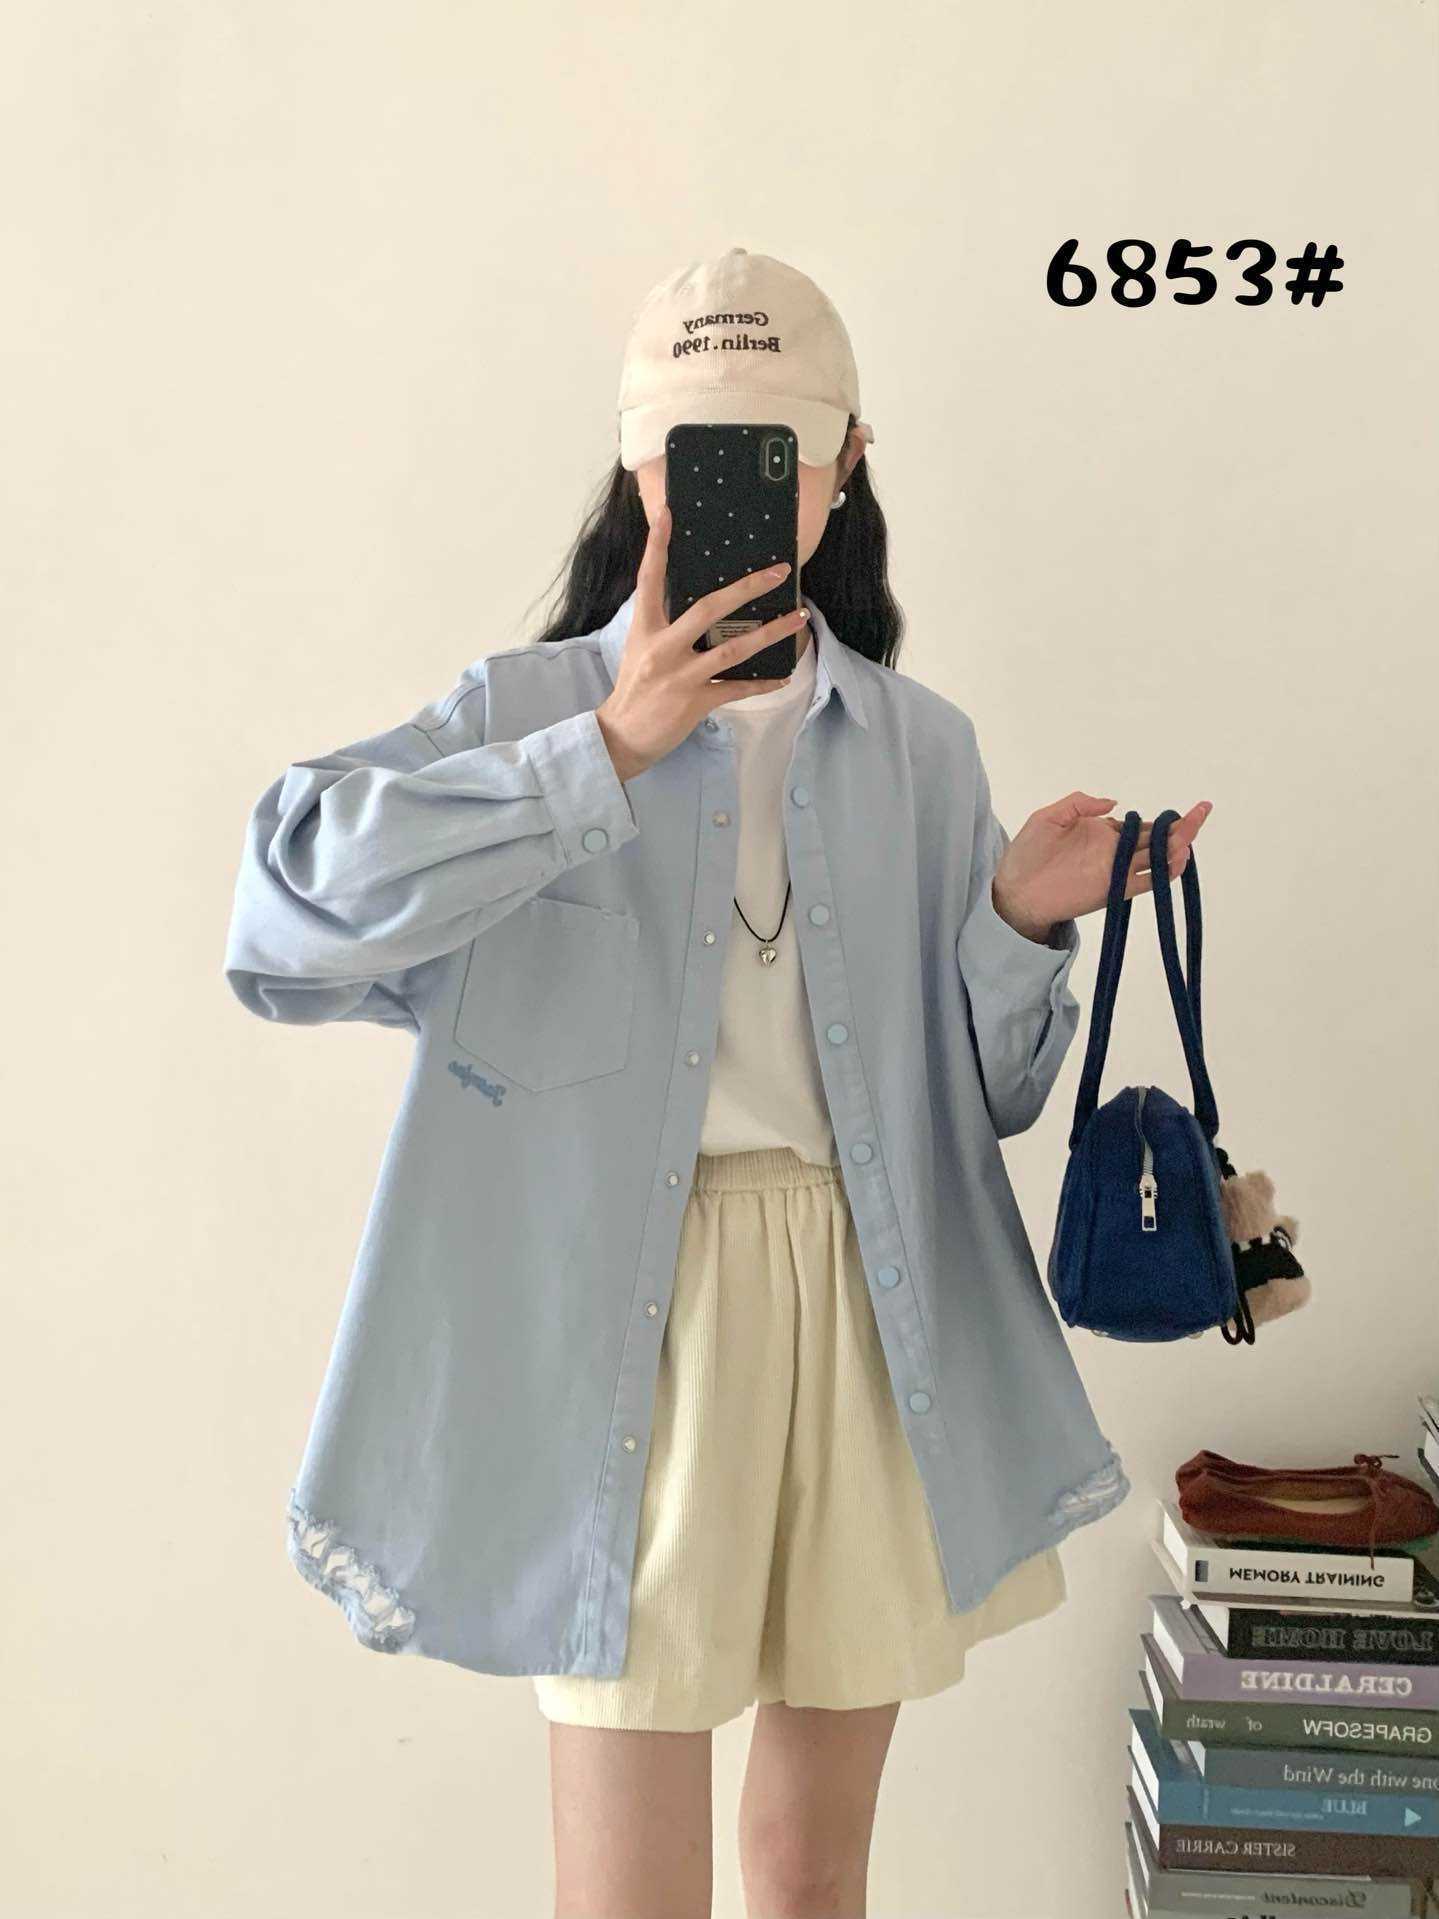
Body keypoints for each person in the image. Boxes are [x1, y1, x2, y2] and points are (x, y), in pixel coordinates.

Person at [224, 245, 1211, 1919]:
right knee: (628, 1893)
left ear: (843, 468)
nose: (735, 491)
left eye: (776, 452)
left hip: (871, 1311)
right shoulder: (525, 714)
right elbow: (284, 904)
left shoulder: (921, 746)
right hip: (621, 1328)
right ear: (640, 471)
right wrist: (600, 753)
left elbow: (989, 1101)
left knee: (814, 1874)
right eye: (696, 453)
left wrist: (1012, 918)